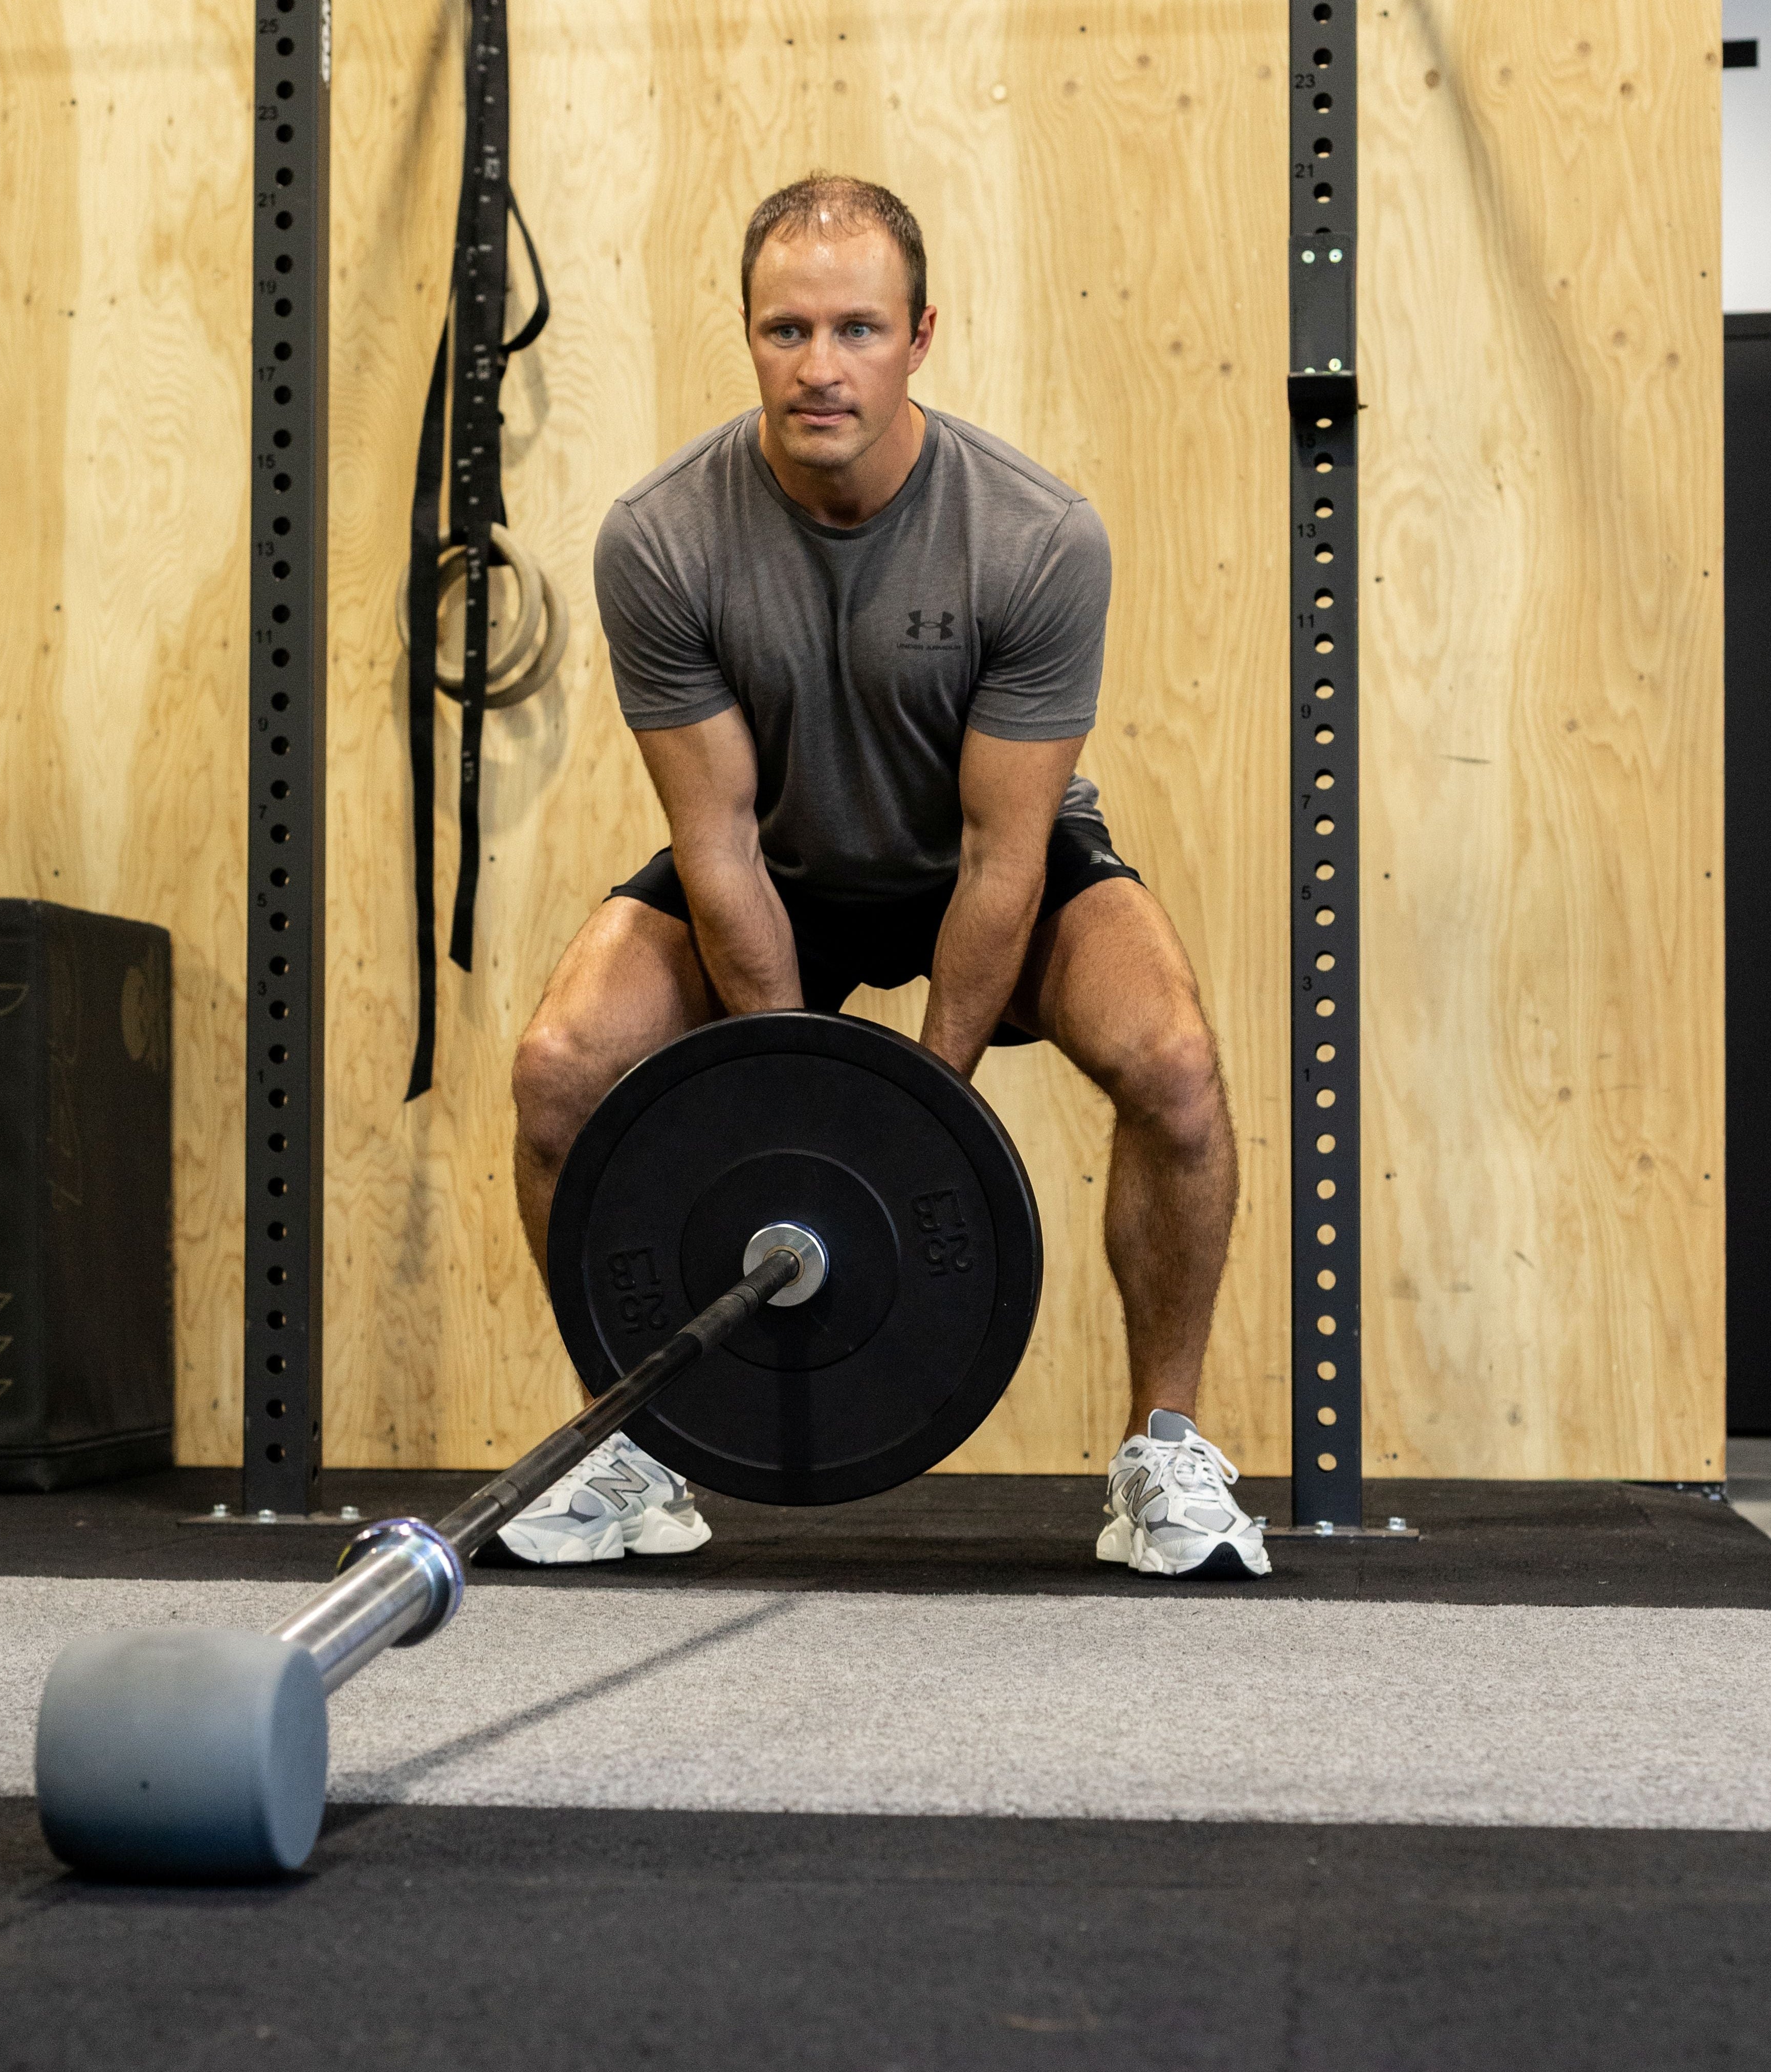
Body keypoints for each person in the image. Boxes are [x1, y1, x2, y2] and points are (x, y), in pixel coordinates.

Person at [499, 173, 1266, 1580]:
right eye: (785, 331)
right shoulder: (661, 538)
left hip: (977, 868)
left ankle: (1165, 1448)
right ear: (747, 338)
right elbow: (720, 840)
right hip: (777, 861)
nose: (819, 367)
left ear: (921, 336)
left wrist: (906, 1123)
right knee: (557, 1068)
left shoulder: (1035, 538)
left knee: (1173, 1066)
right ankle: (639, 1446)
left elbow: (1000, 854)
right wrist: (796, 1105)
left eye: (856, 329)